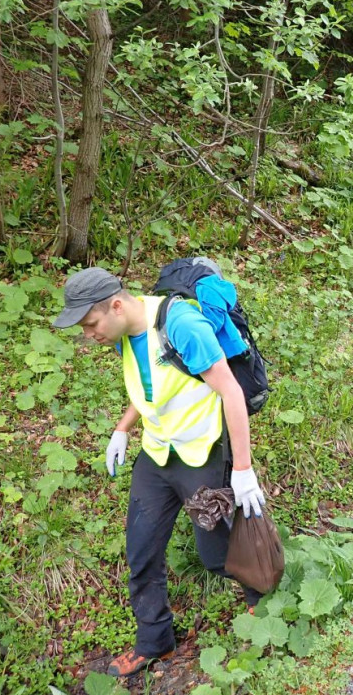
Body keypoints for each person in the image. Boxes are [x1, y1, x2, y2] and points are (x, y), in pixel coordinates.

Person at [53, 267, 267, 677]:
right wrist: (122, 428)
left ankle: (263, 601)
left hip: (200, 451)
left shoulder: (180, 325)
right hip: (157, 454)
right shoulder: (122, 336)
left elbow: (230, 390)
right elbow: (151, 386)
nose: (88, 335)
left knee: (217, 551)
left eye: (90, 324)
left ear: (116, 305)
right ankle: (155, 640)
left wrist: (242, 468)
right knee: (141, 549)